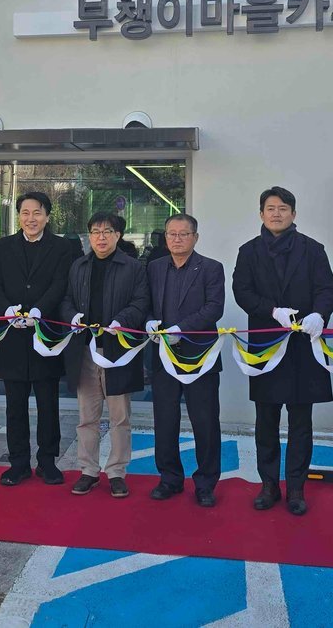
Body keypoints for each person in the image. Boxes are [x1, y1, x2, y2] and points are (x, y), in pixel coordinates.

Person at [232, 186, 333, 515]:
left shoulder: (312, 249)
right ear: (261, 213)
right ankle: (268, 485)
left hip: (304, 346)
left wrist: (319, 314)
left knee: (301, 421)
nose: (276, 214)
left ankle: (296, 488)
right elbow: (241, 291)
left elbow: (326, 289)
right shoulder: (249, 251)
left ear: (294, 213)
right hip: (266, 345)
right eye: (271, 208)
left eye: (283, 208)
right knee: (266, 419)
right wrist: (271, 310)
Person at [0, 191, 76, 486]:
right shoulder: (4, 245)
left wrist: (39, 310)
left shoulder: (61, 247)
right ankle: (18, 463)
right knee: (15, 406)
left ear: (47, 216)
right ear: (19, 216)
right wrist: (6, 310)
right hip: (12, 336)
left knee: (48, 404)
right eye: (25, 213)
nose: (31, 218)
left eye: (37, 212)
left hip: (44, 333)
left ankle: (47, 462)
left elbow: (61, 284)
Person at [60, 211, 150, 499]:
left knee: (119, 417)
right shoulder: (78, 266)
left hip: (117, 350)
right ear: (89, 236)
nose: (101, 237)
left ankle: (117, 472)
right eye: (95, 232)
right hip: (85, 350)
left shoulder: (133, 267)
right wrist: (72, 316)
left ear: (118, 236)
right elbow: (66, 299)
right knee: (87, 416)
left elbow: (141, 302)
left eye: (107, 231)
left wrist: (122, 320)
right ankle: (88, 470)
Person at [146, 213, 226, 507]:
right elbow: (145, 302)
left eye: (183, 234)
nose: (177, 239)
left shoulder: (211, 268)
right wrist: (149, 321)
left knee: (205, 421)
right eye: (171, 234)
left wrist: (182, 328)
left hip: (200, 355)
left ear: (195, 237)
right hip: (163, 356)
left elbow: (214, 308)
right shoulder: (154, 267)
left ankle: (205, 483)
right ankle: (169, 478)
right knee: (165, 420)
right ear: (165, 237)